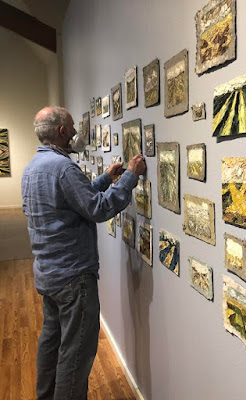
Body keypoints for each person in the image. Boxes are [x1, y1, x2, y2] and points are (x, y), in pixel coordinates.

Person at [21, 106, 146, 400]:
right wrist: (129, 177)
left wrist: (105, 178)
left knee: (52, 344)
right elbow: (97, 209)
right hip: (73, 278)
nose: (77, 130)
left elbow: (73, 200)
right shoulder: (63, 168)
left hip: (49, 275)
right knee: (75, 355)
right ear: (62, 132)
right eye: (73, 126)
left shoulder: (33, 168)